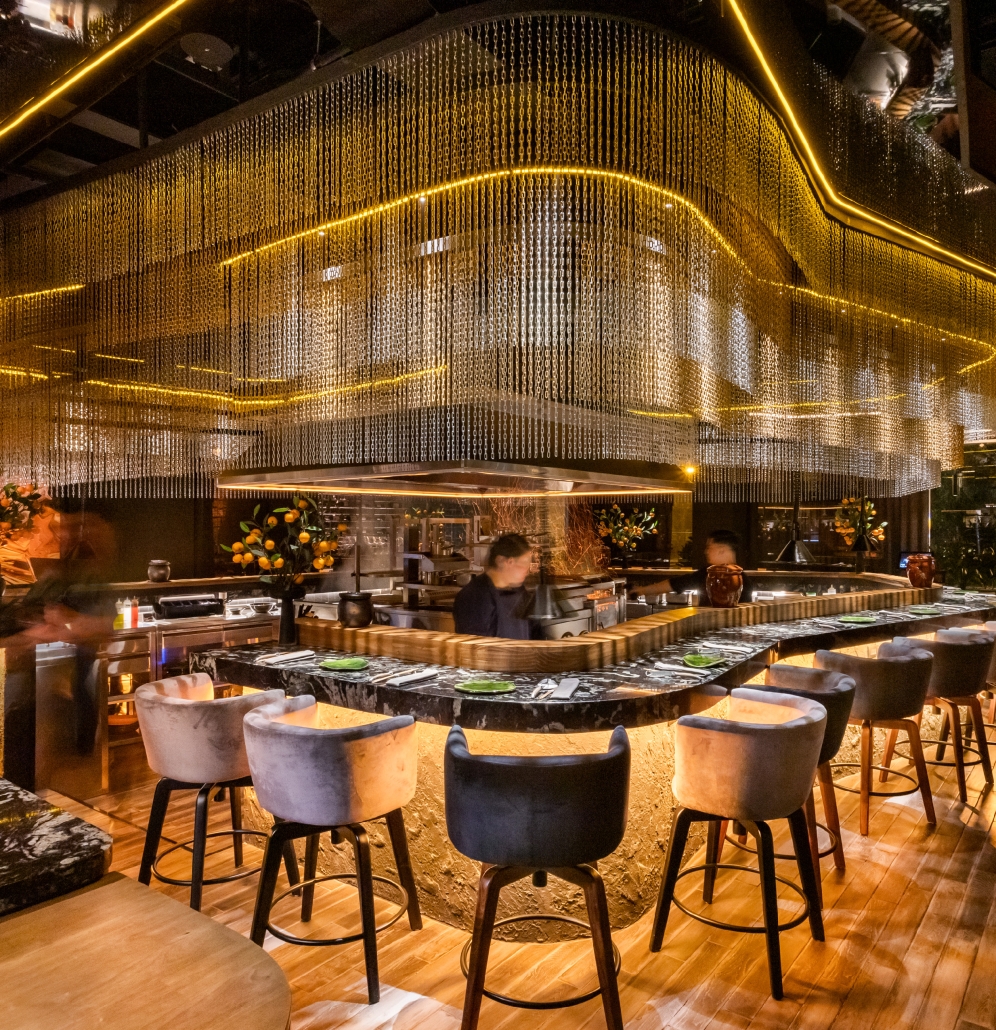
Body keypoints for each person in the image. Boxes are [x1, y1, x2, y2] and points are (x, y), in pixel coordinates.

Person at [633, 528, 754, 604]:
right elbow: (677, 583)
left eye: (709, 547)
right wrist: (642, 591)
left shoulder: (712, 575)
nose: (706, 552)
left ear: (721, 550)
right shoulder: (708, 573)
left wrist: (641, 591)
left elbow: (676, 584)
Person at [453, 533, 535, 639]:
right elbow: (475, 645)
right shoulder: (473, 597)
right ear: (501, 561)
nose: (526, 571)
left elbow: (533, 630)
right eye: (523, 564)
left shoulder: (519, 591)